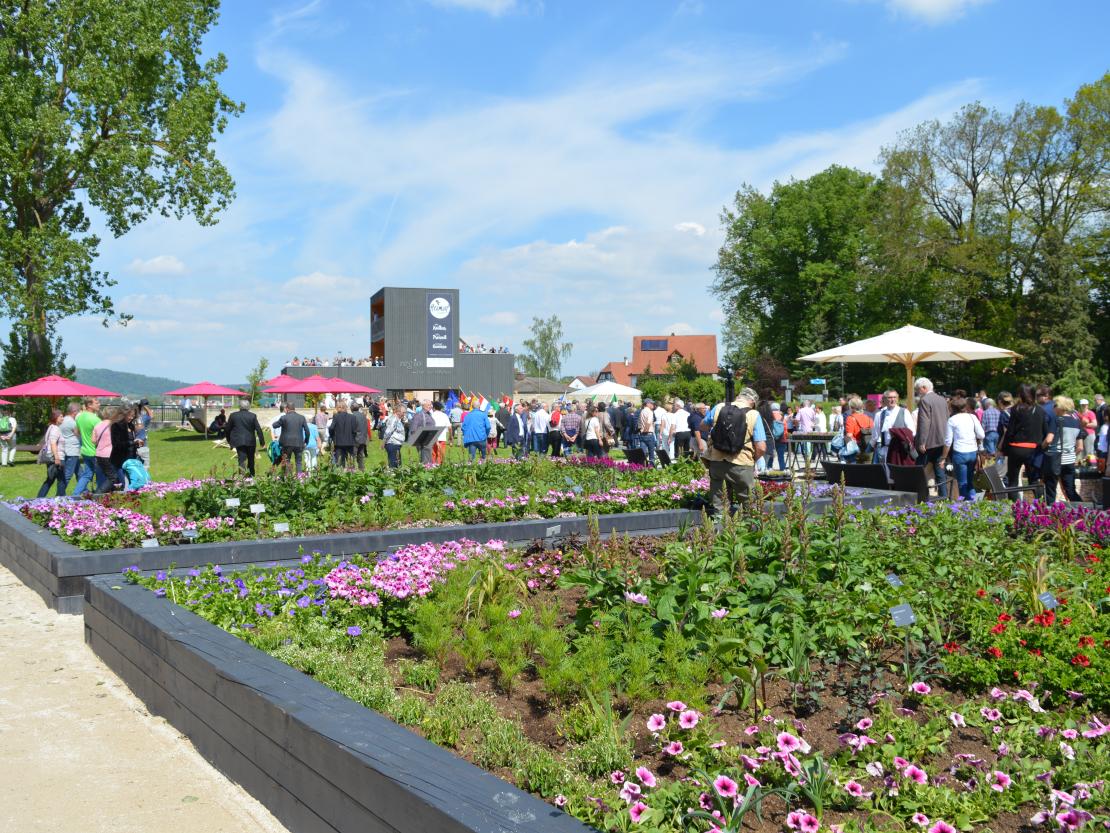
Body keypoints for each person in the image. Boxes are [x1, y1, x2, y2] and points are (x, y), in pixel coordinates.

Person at [704, 388, 766, 515]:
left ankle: (719, 528)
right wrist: (752, 459)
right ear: (753, 402)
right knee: (748, 502)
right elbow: (761, 447)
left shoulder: (719, 407)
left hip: (717, 460)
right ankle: (749, 529)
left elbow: (702, 425)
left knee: (719, 501)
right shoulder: (754, 414)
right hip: (742, 462)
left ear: (738, 397)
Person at [999, 384, 1046, 490]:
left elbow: (1010, 431)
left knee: (1013, 481)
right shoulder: (1040, 410)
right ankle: (1039, 504)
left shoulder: (1016, 409)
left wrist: (1004, 449)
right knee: (1034, 481)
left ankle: (1014, 505)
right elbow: (1044, 431)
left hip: (1016, 448)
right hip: (1033, 449)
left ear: (1021, 395)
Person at [941, 395, 984, 501]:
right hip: (972, 452)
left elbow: (948, 442)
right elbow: (981, 435)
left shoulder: (952, 420)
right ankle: (975, 505)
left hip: (960, 453)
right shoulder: (972, 417)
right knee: (969, 482)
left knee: (962, 483)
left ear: (953, 408)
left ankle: (967, 507)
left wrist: (943, 458)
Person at [913, 377, 950, 499]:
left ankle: (919, 497)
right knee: (940, 472)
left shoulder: (925, 400)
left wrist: (922, 441)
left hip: (929, 442)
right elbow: (947, 418)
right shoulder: (942, 400)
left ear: (924, 388)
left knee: (918, 471)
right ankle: (944, 498)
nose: (918, 393)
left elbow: (924, 422)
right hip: (942, 441)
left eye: (918, 390)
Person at [874, 389, 917, 470]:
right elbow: (876, 434)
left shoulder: (904, 412)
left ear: (897, 399)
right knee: (886, 474)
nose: (892, 399)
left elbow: (912, 432)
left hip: (899, 450)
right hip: (885, 449)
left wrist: (898, 433)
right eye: (890, 397)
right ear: (884, 399)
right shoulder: (879, 414)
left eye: (894, 397)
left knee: (899, 473)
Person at [1052, 396, 1083, 502]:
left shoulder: (1056, 420)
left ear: (1060, 407)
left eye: (1055, 405)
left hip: (1056, 460)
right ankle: (1083, 510)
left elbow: (1049, 440)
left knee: (1050, 489)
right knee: (1071, 491)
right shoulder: (1077, 422)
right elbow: (1080, 447)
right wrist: (1071, 454)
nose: (1053, 408)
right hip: (1070, 461)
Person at [225, 400, 266, 477]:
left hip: (239, 441)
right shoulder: (252, 416)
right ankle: (252, 476)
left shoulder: (233, 415)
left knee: (241, 459)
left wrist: (229, 440)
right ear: (248, 407)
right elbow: (259, 429)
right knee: (251, 459)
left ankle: (242, 477)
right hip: (250, 441)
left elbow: (227, 429)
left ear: (239, 406)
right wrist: (262, 442)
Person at [1033, 384, 1060, 500]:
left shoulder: (1042, 410)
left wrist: (1041, 446)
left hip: (1044, 450)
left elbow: (1045, 436)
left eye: (1038, 395)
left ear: (1046, 396)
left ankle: (1042, 507)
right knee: (1052, 485)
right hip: (1060, 451)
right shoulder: (1059, 408)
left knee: (1036, 479)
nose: (1036, 398)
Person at [72, 397, 103, 495]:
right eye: (96, 402)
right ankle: (99, 496)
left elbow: (76, 432)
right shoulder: (96, 419)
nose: (99, 404)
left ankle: (75, 495)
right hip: (95, 451)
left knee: (87, 474)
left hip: (85, 450)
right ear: (89, 405)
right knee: (100, 475)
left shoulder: (79, 417)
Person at [91, 407, 123, 494]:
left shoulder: (98, 425)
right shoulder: (114, 425)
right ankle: (98, 494)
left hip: (99, 454)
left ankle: (107, 495)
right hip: (110, 455)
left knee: (104, 476)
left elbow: (93, 440)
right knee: (113, 477)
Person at [272, 404, 310, 474]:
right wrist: (306, 441)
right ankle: (299, 478)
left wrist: (275, 422)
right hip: (299, 443)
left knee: (287, 460)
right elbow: (307, 431)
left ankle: (288, 479)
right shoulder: (301, 417)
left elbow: (274, 425)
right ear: (294, 408)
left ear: (286, 409)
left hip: (286, 443)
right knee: (299, 462)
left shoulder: (284, 418)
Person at [36, 410, 65, 498]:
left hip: (52, 457)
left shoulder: (51, 427)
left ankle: (39, 498)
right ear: (56, 418)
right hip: (56, 458)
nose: (63, 418)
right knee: (61, 480)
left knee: (51, 479)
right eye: (61, 416)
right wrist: (57, 458)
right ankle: (61, 499)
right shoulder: (55, 429)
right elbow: (53, 443)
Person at [57, 403, 81, 494]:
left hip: (67, 449)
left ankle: (85, 491)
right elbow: (78, 434)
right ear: (74, 412)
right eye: (78, 411)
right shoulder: (72, 422)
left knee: (80, 473)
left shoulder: (63, 420)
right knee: (68, 474)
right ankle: (59, 494)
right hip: (72, 450)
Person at [329, 400, 358, 469]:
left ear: (340, 408)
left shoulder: (336, 416)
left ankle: (341, 475)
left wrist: (332, 436)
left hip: (339, 443)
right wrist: (352, 438)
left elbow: (331, 428)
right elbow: (354, 430)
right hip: (350, 442)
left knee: (339, 463)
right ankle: (351, 475)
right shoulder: (353, 417)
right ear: (346, 408)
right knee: (351, 462)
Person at [408, 399, 437, 465]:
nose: (431, 406)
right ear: (423, 406)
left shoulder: (429, 414)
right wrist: (418, 441)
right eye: (429, 405)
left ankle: (428, 470)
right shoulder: (418, 415)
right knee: (425, 460)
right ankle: (424, 471)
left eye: (431, 405)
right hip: (423, 442)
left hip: (429, 440)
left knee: (429, 459)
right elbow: (413, 429)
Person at [381, 403, 406, 468]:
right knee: (394, 466)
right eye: (403, 412)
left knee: (397, 465)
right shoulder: (394, 419)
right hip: (392, 444)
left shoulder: (397, 419)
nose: (404, 414)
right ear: (398, 412)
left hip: (395, 445)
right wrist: (383, 442)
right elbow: (388, 431)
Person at [636, 399, 658, 466]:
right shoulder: (650, 412)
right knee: (651, 453)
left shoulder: (642, 411)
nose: (653, 405)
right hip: (648, 433)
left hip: (642, 434)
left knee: (643, 453)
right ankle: (651, 468)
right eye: (651, 403)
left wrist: (641, 431)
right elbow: (648, 423)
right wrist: (646, 430)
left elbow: (639, 423)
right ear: (647, 404)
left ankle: (643, 466)